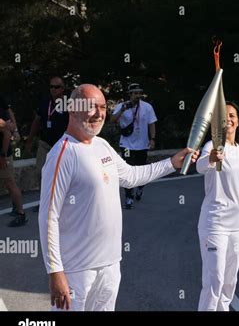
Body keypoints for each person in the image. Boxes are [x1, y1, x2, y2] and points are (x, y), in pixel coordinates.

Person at [38, 84, 199, 311]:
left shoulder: (102, 145)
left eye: (103, 107)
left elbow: (132, 176)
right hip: (77, 270)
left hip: (111, 264)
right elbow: (48, 217)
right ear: (73, 109)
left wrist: (171, 163)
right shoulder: (62, 154)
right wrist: (55, 272)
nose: (99, 113)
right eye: (91, 107)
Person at [196, 101, 239, 311]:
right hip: (214, 225)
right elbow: (199, 166)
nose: (229, 120)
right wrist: (212, 158)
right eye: (224, 117)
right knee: (214, 281)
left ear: (238, 120)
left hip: (237, 227)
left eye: (232, 116)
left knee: (229, 282)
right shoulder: (212, 146)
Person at [26, 77, 69, 212]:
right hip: (45, 143)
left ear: (62, 89)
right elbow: (37, 121)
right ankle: (44, 202)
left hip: (62, 145)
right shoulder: (45, 102)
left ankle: (63, 202)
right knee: (40, 172)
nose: (53, 89)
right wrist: (29, 140)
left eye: (57, 87)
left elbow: (75, 123)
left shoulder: (69, 103)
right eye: (51, 87)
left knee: (62, 175)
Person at [111, 83, 157, 209]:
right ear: (130, 94)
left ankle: (140, 188)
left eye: (139, 93)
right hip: (126, 144)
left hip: (142, 144)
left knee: (141, 170)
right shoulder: (121, 106)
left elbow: (152, 124)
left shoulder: (147, 107)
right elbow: (112, 120)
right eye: (135, 93)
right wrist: (122, 110)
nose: (137, 95)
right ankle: (128, 197)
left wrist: (152, 139)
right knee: (127, 170)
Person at [0, 101, 27, 227]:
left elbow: (6, 134)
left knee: (10, 183)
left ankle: (21, 213)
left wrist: (3, 155)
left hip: (3, 154)